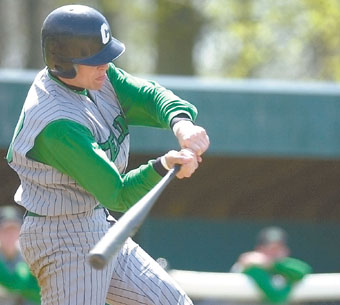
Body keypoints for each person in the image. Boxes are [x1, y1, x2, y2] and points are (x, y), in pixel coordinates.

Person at [6, 4, 209, 305]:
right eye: (96, 60)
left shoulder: (97, 78)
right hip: (61, 237)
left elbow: (150, 95)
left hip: (95, 221)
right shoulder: (57, 123)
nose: (106, 64)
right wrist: (164, 165)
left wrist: (181, 123)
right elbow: (119, 193)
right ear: (64, 62)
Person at [231, 227, 312, 304]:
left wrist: (272, 264)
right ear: (259, 249)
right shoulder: (250, 266)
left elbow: (303, 270)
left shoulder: (282, 268)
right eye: (271, 248)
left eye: (278, 248)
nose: (275, 252)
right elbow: (275, 297)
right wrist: (291, 283)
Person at [0, 206, 40, 305]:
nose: (10, 235)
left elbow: (19, 283)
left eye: (14, 230)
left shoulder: (30, 253)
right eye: (6, 230)